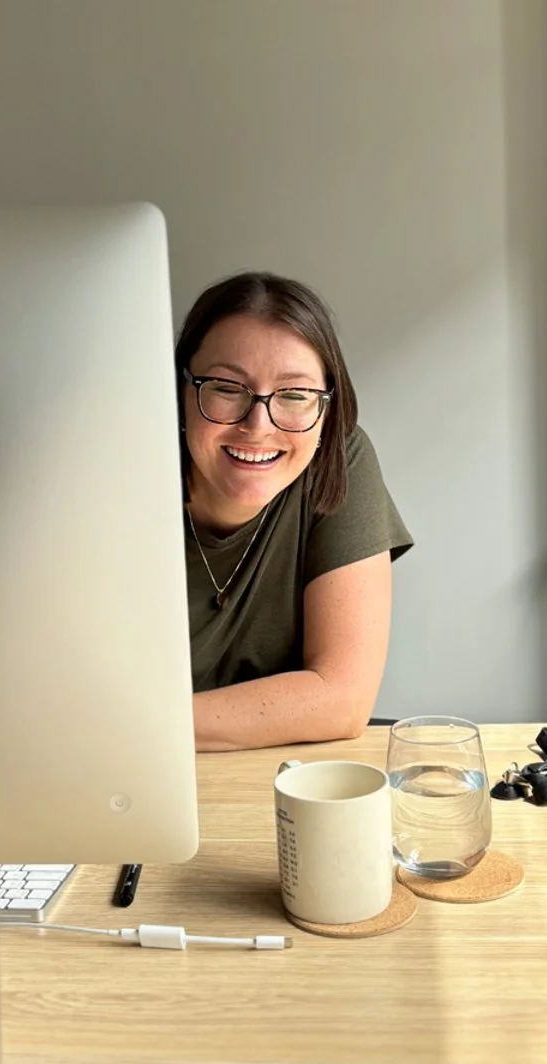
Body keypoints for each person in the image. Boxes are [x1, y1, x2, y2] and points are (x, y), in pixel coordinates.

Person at [177, 272, 412, 752]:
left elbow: (342, 700)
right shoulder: (115, 475)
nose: (258, 425)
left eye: (294, 395)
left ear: (326, 409)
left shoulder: (341, 459)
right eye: (226, 387)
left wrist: (139, 725)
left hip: (284, 771)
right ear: (181, 393)